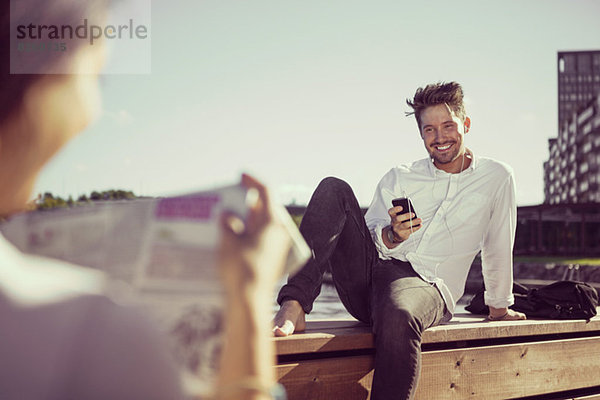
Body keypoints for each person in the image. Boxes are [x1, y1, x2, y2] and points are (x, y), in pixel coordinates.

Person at [0, 1, 287, 399]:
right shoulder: (95, 332)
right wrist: (250, 295)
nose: (94, 111)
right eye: (96, 79)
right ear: (42, 82)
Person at [273, 81, 527, 399]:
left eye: (448, 125)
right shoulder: (401, 175)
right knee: (332, 188)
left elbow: (498, 243)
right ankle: (293, 304)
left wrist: (499, 306)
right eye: (429, 130)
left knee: (399, 311)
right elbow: (367, 236)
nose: (440, 137)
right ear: (421, 134)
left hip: (425, 286)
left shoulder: (497, 177)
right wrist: (392, 235)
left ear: (466, 124)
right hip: (370, 280)